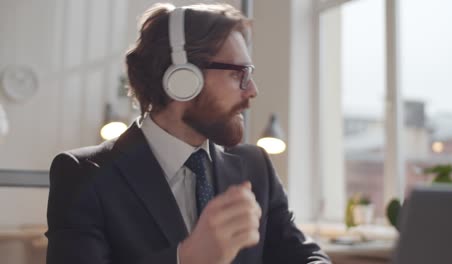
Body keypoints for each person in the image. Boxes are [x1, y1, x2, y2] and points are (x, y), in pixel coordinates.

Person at [46, 3, 330, 264]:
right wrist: (187, 258)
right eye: (237, 74)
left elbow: (305, 257)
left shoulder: (255, 166)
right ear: (183, 78)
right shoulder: (83, 175)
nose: (252, 89)